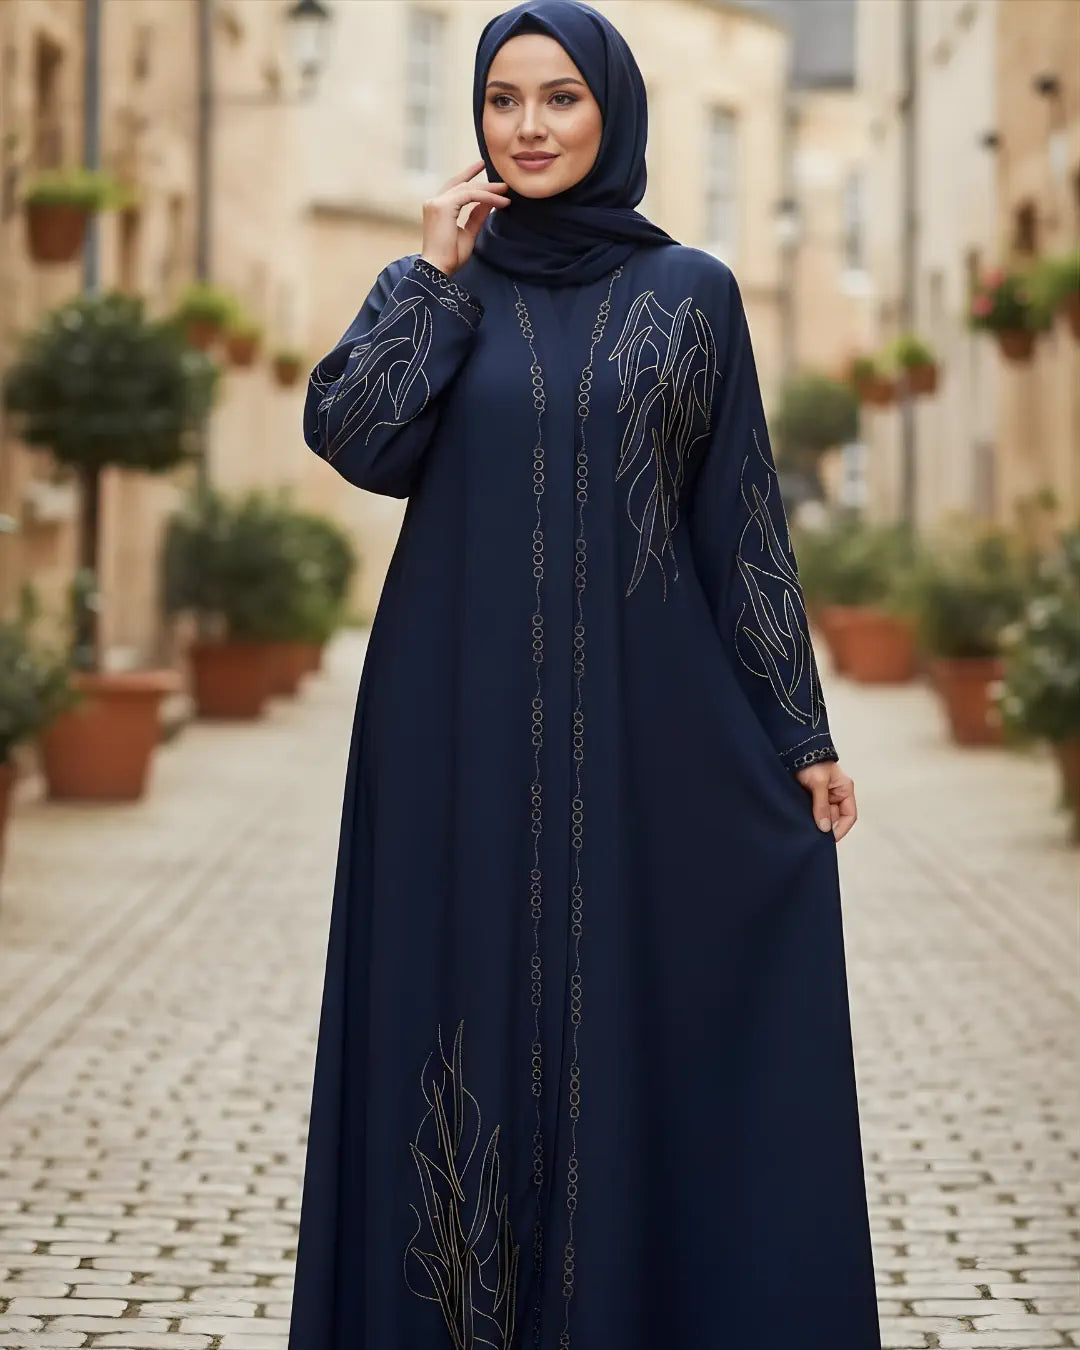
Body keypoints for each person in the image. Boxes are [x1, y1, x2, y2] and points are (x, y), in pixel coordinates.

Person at [287, 2, 881, 1347]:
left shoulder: (693, 296)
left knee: (628, 1018)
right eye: (504, 100)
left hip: (647, 733)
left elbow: (740, 527)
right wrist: (428, 280)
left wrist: (802, 732)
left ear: (610, 111)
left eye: (560, 98)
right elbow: (355, 437)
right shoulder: (445, 288)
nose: (530, 125)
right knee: (459, 1017)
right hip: (448, 726)